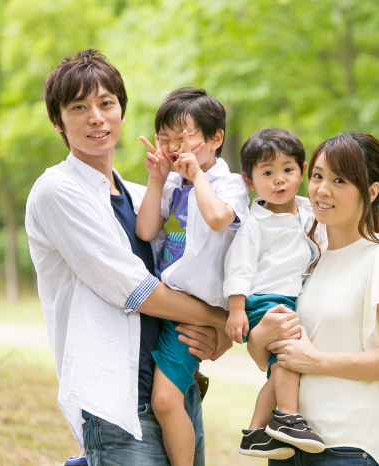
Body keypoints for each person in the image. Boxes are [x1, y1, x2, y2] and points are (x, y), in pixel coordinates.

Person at [25, 49, 231, 466]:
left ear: (121, 110)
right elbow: (138, 292)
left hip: (174, 386)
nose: (96, 117)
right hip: (118, 404)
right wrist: (225, 321)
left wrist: (220, 337)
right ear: (58, 121)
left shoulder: (143, 196)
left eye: (106, 104)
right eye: (78, 108)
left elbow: (195, 272)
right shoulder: (58, 192)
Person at [250, 133, 379, 466]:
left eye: (339, 180)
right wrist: (259, 339)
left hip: (345, 450)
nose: (322, 190)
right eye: (318, 176)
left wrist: (317, 361)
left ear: (371, 191)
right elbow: (278, 356)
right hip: (287, 444)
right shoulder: (308, 256)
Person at [135, 87, 249, 466]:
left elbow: (218, 218)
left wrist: (197, 175)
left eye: (182, 139)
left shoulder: (227, 184)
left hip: (193, 311)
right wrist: (156, 178)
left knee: (166, 401)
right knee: (169, 396)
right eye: (164, 139)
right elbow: (147, 231)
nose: (172, 148)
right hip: (166, 301)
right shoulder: (172, 183)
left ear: (215, 138)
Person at [222, 128, 326, 459]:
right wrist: (236, 309)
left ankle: (255, 432)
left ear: (303, 172)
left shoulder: (310, 210)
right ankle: (287, 418)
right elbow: (239, 266)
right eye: (267, 173)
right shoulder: (256, 223)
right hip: (265, 300)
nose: (279, 180)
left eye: (287, 170)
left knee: (280, 365)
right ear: (249, 181)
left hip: (292, 299)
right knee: (290, 355)